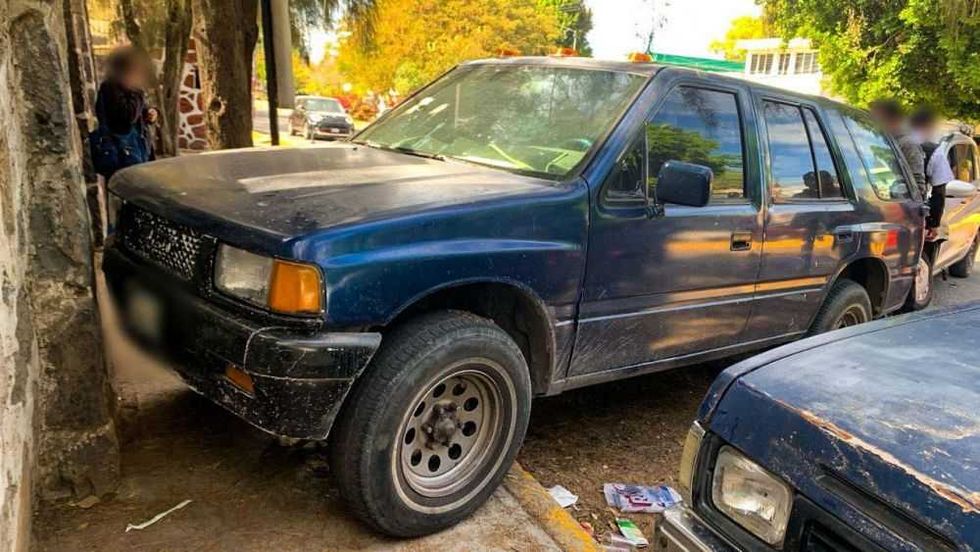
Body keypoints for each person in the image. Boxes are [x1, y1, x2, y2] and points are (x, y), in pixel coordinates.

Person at [91, 46, 158, 179]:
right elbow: (128, 116)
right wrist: (137, 90)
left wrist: (151, 114)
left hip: (136, 154)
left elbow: (140, 112)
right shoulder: (111, 88)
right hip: (121, 157)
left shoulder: (129, 90)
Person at [910, 106, 955, 240]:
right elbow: (939, 191)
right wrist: (933, 223)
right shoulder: (935, 151)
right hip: (913, 214)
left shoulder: (889, 141)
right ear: (930, 126)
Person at [870, 99, 926, 196]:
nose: (874, 124)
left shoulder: (908, 144)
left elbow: (917, 187)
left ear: (895, 120)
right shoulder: (877, 142)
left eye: (879, 120)